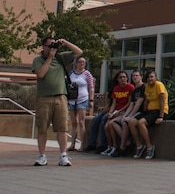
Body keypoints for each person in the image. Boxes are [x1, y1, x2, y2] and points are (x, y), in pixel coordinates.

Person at [31, 35, 83, 166]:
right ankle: (42, 155)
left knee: (62, 128)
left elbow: (79, 52)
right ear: (43, 47)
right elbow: (40, 74)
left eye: (54, 45)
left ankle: (63, 155)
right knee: (42, 128)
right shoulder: (38, 60)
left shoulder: (61, 58)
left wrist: (65, 42)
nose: (52, 48)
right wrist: (49, 58)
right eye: (50, 46)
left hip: (60, 97)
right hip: (44, 98)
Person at [127, 69, 166, 160]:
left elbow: (162, 100)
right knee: (131, 122)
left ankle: (149, 147)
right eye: (148, 77)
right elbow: (146, 101)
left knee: (141, 123)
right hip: (149, 110)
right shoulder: (147, 86)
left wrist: (161, 116)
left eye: (152, 77)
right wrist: (144, 112)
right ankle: (139, 146)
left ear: (156, 77)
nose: (150, 79)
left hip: (158, 110)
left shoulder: (159, 85)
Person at [91, 71, 132, 154]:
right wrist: (110, 112)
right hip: (115, 110)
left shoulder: (130, 87)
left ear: (127, 78)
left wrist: (119, 111)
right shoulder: (115, 89)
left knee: (110, 124)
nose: (122, 79)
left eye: (124, 77)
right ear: (117, 79)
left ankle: (116, 146)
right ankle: (110, 146)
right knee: (106, 125)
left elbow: (129, 103)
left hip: (123, 111)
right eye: (120, 77)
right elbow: (113, 103)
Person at [106, 69, 144, 157]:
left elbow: (138, 104)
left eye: (136, 75)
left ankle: (123, 147)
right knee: (113, 123)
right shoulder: (135, 90)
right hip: (127, 112)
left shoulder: (142, 87)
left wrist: (127, 116)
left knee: (124, 122)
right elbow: (131, 104)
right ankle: (124, 143)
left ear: (141, 77)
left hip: (139, 112)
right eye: (133, 76)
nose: (134, 77)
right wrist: (126, 115)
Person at [68, 57, 95, 152]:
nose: (82, 63)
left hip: (83, 99)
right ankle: (72, 144)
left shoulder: (87, 74)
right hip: (72, 99)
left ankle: (82, 144)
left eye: (83, 62)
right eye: (80, 62)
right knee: (74, 122)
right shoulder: (71, 73)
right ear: (76, 63)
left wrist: (91, 100)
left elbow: (91, 87)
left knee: (81, 122)